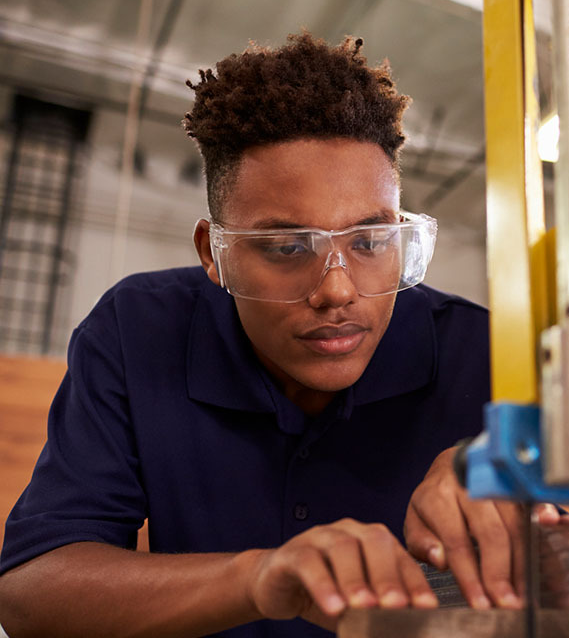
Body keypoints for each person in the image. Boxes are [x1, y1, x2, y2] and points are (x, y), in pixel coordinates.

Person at [0, 33, 490, 637]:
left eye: (369, 242)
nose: (337, 290)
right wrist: (260, 579)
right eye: (287, 247)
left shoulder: (482, 354)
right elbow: (30, 594)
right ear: (215, 253)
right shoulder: (138, 332)